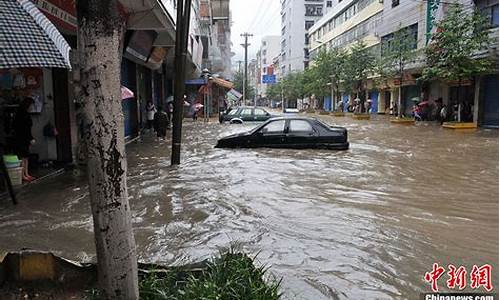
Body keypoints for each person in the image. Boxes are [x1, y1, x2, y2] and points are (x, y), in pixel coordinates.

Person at [13, 97, 35, 182]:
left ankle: (26, 174)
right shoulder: (22, 115)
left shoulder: (23, 113)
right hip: (21, 138)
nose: (32, 107)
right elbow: (24, 129)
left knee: (26, 156)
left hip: (24, 138)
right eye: (31, 106)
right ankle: (23, 175)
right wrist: (30, 138)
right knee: (23, 156)